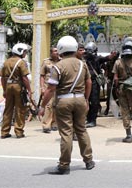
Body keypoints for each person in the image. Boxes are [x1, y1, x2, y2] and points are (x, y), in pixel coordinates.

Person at [38, 35, 95, 174]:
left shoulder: (57, 66)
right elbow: (89, 83)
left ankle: (64, 165)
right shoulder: (83, 64)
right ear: (75, 48)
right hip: (80, 100)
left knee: (66, 133)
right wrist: (86, 99)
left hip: (64, 101)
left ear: (61, 48)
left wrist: (42, 106)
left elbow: (51, 89)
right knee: (81, 130)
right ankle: (88, 160)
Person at [0, 43, 33, 139]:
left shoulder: (6, 62)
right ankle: (19, 132)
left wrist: (4, 90)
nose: (25, 54)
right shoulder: (21, 62)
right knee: (20, 109)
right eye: (25, 52)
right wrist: (29, 90)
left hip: (8, 86)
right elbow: (25, 78)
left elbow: (2, 78)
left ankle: (4, 132)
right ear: (20, 51)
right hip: (18, 86)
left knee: (8, 109)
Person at [40, 46, 60, 133]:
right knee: (48, 105)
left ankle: (54, 123)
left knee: (57, 105)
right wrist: (42, 87)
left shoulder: (61, 61)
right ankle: (46, 125)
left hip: (58, 87)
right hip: (48, 87)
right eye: (55, 51)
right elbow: (42, 75)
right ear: (51, 53)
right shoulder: (46, 62)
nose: (57, 52)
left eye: (57, 51)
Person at [84, 41, 104, 127]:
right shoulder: (83, 60)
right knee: (85, 101)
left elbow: (107, 58)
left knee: (94, 101)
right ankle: (88, 119)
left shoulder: (97, 59)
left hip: (95, 83)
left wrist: (113, 55)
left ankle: (93, 120)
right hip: (84, 83)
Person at [102, 50, 118, 116]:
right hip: (110, 80)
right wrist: (106, 78)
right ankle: (107, 108)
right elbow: (106, 71)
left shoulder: (118, 62)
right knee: (109, 95)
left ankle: (119, 109)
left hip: (117, 80)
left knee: (117, 95)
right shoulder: (108, 62)